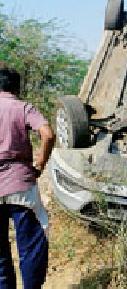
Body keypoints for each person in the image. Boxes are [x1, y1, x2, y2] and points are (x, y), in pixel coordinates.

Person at [0, 63, 55, 289]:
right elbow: (48, 134)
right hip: (20, 184)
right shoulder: (22, 108)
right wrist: (40, 163)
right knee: (31, 247)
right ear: (17, 87)